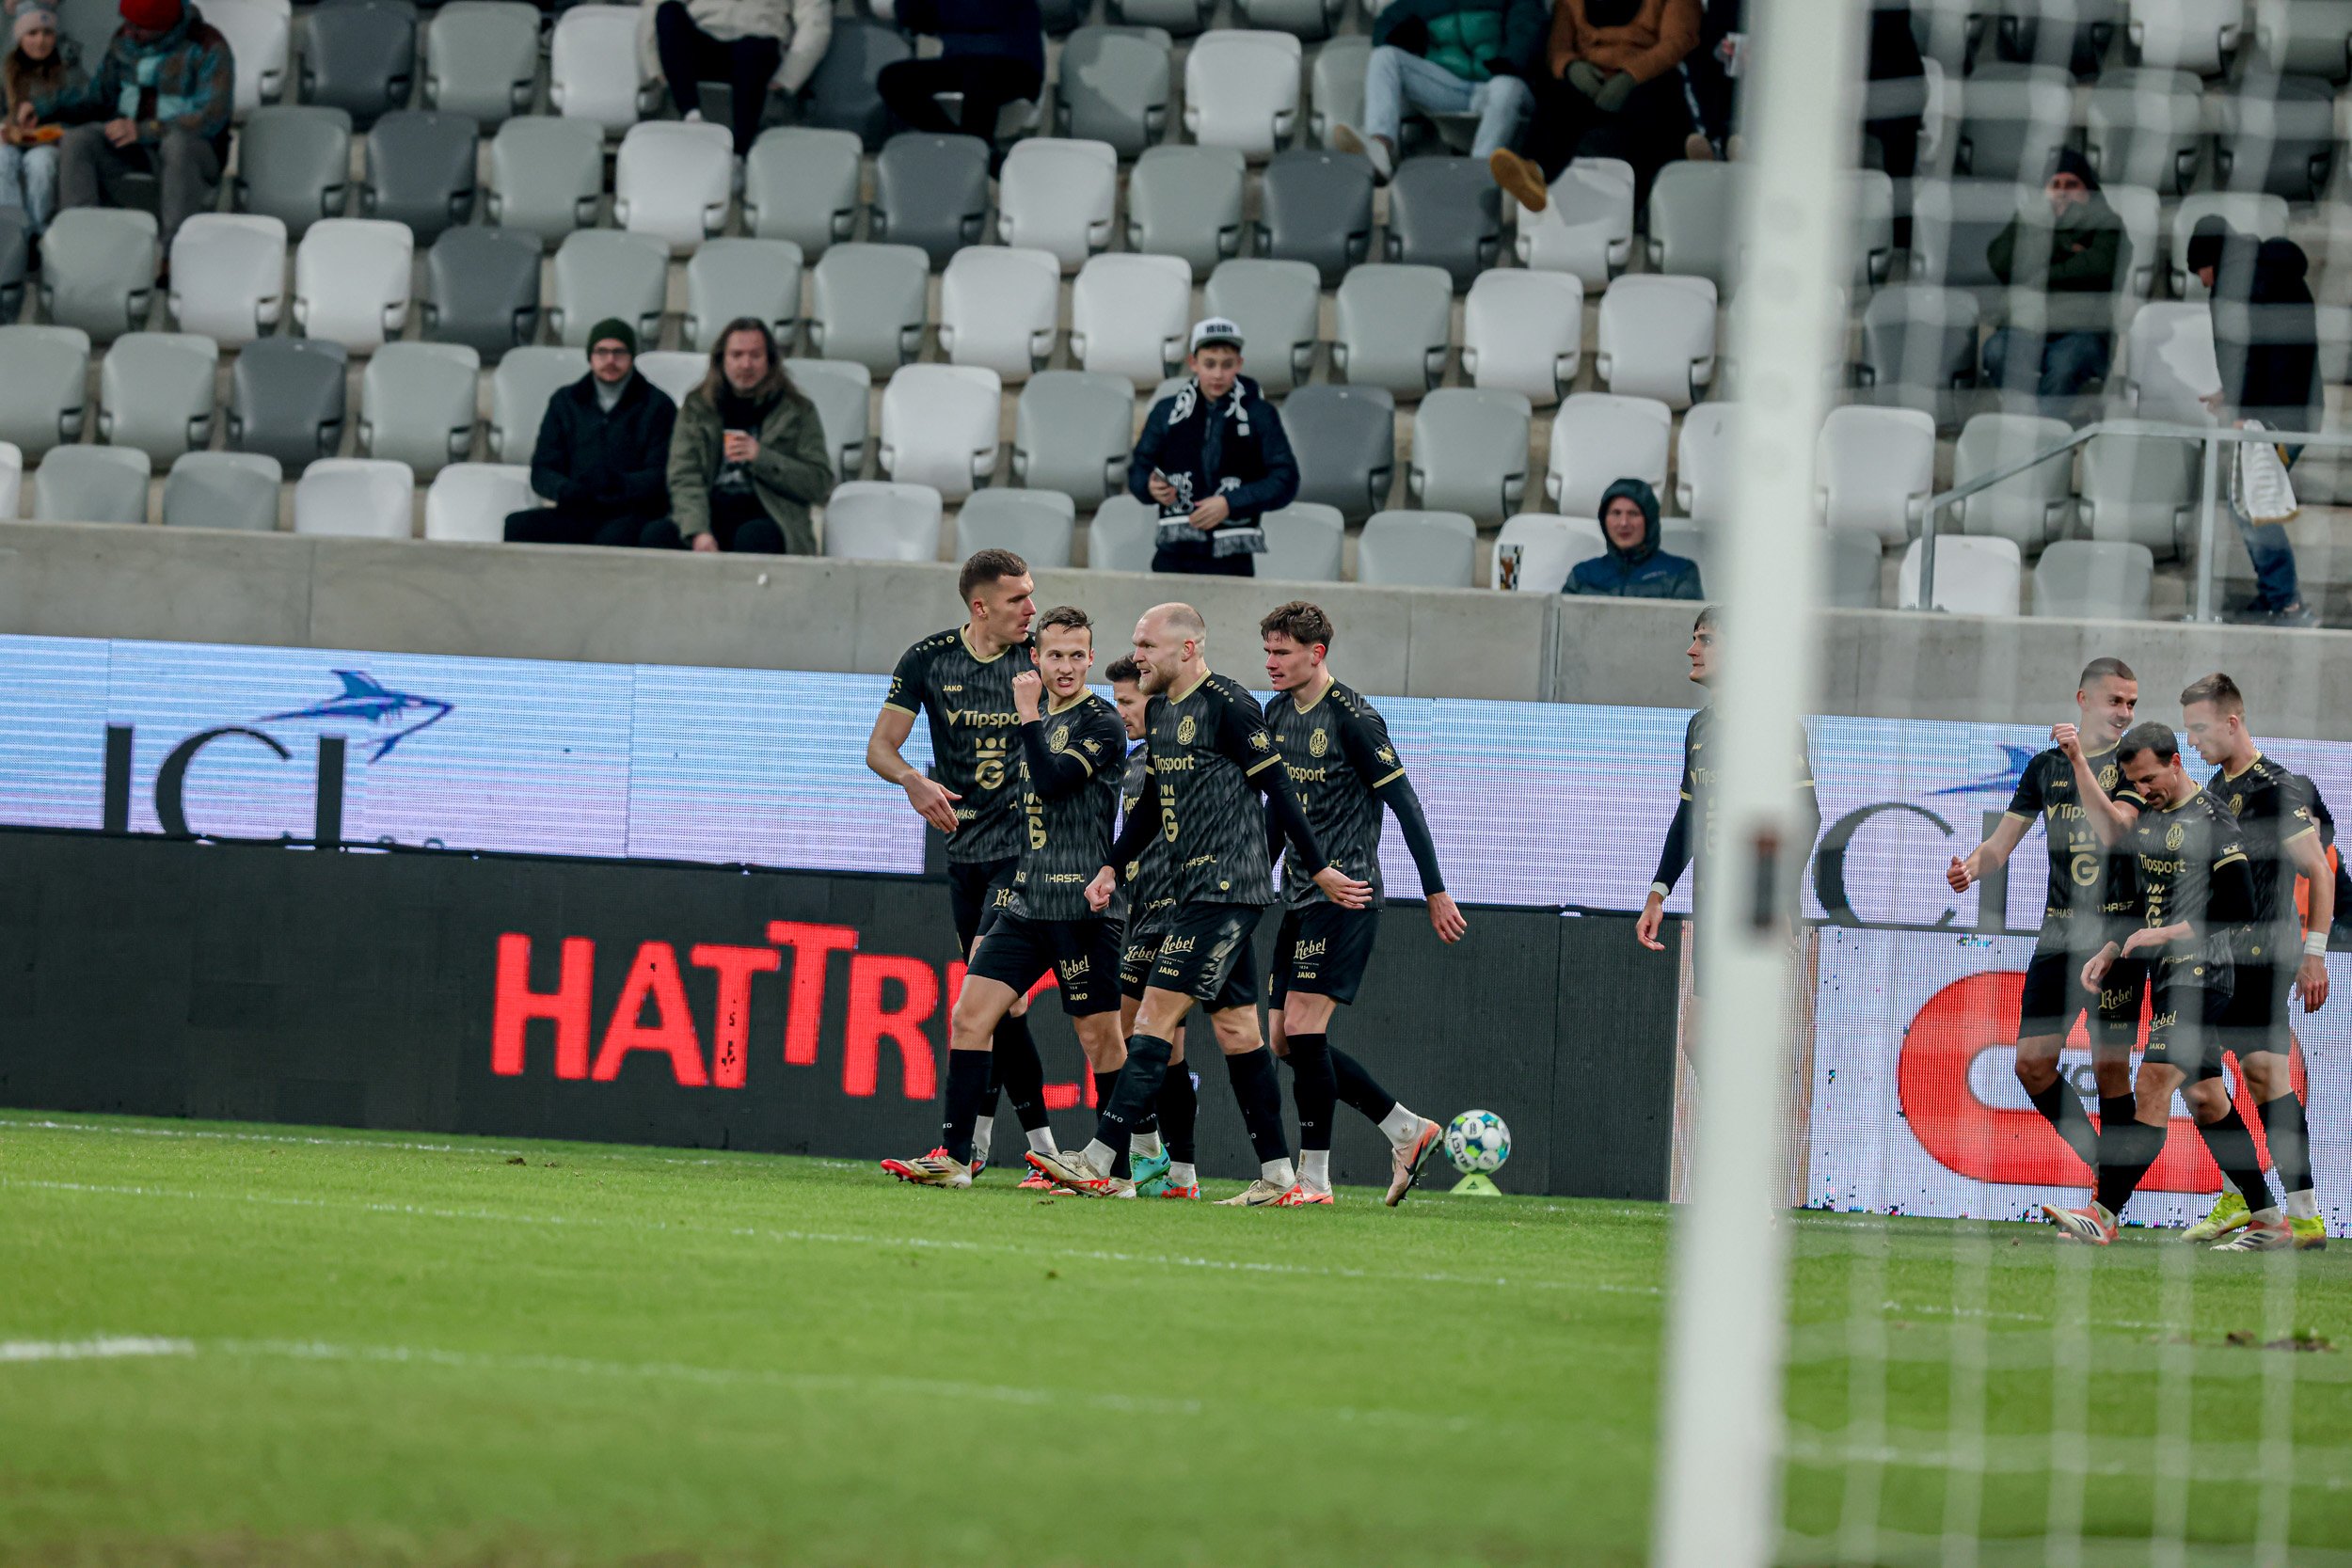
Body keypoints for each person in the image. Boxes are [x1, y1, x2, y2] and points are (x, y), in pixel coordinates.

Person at [1025, 603, 1372, 1206]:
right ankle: (1279, 1177)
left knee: (1151, 1019)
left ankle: (1100, 1159)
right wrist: (1111, 866)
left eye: (1146, 645)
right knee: (1238, 1031)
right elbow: (1152, 801)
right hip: (1195, 890)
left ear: (1186, 649)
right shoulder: (1161, 710)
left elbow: (1280, 790)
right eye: (1137, 644)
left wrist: (1317, 867)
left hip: (1227, 890)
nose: (1138, 655)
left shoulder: (1230, 705)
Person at [882, 607, 1133, 1192]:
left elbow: (1051, 781)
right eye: (1055, 655)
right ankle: (955, 1156)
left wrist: (1025, 715)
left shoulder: (1102, 723)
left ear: (1091, 659)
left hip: (1080, 907)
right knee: (970, 1015)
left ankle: (1117, 1169)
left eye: (1077, 655)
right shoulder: (1038, 718)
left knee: (1099, 1038)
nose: (1066, 666)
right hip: (1025, 902)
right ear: (1035, 659)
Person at [1259, 601, 1466, 1207]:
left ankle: (1315, 1181)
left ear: (1316, 653)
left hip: (1347, 895)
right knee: (1282, 1040)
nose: (1271, 662)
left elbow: (1406, 804)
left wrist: (1434, 891)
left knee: (1304, 1030)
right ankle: (1406, 1130)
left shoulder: (1355, 719)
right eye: (1267, 651)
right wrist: (1252, 881)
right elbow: (1279, 813)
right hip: (1299, 895)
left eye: (1282, 652)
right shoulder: (1276, 712)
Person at [2049, 722, 2286, 1250]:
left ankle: (2102, 1214)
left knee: (2153, 1082)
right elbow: (2147, 903)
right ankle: (2270, 1218)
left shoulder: (2212, 818)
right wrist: (2113, 949)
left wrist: (2165, 934)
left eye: (2150, 778)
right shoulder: (2153, 819)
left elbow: (2240, 907)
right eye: (2135, 782)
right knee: (2205, 1098)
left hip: (2204, 975)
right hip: (2170, 978)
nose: (2144, 790)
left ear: (2176, 762)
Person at [865, 549, 1055, 1180]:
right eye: (1017, 599)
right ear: (980, 606)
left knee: (983, 994)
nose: (1030, 608)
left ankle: (976, 1148)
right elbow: (880, 748)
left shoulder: (1040, 660)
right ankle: (1026, 1148)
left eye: (1031, 594)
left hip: (1025, 854)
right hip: (964, 852)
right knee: (1002, 1006)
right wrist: (912, 780)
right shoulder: (929, 659)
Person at [1946, 657, 2145, 1174]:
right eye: (2115, 701)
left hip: (2117, 936)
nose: (2124, 713)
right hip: (2059, 934)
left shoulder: (2135, 763)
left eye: (2131, 703)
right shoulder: (2044, 767)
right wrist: (1971, 867)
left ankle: (2109, 1199)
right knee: (2032, 1065)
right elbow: (2000, 846)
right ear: (2083, 699)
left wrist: (2080, 759)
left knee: (2109, 1069)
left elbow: (2117, 833)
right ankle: (2103, 1169)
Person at [2178, 673, 2332, 1250]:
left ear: (2232, 721)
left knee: (2263, 1075)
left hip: (2266, 952)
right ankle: (2244, 1198)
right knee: (2202, 1080)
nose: (2193, 740)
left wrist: (2314, 955)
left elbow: (2319, 872)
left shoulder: (2278, 788)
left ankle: (2303, 1218)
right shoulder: (2213, 789)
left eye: (2200, 728)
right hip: (2217, 955)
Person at [1635, 606, 1821, 1012]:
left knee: (1740, 1037)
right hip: (1711, 911)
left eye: (1706, 640)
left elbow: (1807, 817)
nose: (1691, 650)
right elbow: (1689, 817)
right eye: (1694, 639)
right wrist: (1658, 893)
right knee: (1700, 1036)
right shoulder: (1699, 727)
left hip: (1755, 915)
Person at [2187, 215, 2321, 626]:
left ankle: (2288, 603)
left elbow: (2247, 355)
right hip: (2298, 408)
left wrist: (2242, 410)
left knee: (2251, 504)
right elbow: (2275, 354)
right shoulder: (2272, 271)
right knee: (2251, 502)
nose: (2202, 283)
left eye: (2199, 272)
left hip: (2272, 417)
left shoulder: (2235, 284)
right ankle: (2275, 597)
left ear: (2208, 260)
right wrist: (2232, 397)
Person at [21, 0, 231, 258]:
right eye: (127, 23)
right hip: (132, 147)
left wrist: (143, 130)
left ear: (163, 27)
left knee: (177, 145)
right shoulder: (124, 39)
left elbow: (211, 118)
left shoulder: (209, 46)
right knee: (79, 140)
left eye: (139, 28)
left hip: (192, 150)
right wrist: (44, 108)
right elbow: (97, 98)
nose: (129, 31)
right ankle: (81, 244)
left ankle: (172, 254)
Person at [1108, 653, 1197, 1199]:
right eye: (1116, 701)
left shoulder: (1182, 754)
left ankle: (1146, 1150)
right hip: (1143, 911)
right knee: (1170, 1049)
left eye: (1128, 701)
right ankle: (1181, 1173)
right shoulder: (1134, 761)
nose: (1121, 711)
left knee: (1124, 1029)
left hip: (1180, 911)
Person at [1486, 0, 1700, 214]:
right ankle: (1533, 176)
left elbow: (1678, 40)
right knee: (1556, 102)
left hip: (1647, 78)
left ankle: (1637, 208)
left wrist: (1632, 76)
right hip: (1588, 77)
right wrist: (1571, 67)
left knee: (1654, 109)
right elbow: (1558, 46)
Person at [1127, 318, 1300, 578]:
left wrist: (1230, 503)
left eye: (1227, 365)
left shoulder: (1260, 414)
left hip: (1232, 560)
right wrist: (1150, 487)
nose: (1218, 374)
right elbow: (1138, 470)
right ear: (1193, 363)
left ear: (1239, 364)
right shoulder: (1166, 411)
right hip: (1173, 555)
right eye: (1210, 364)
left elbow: (1286, 479)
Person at [660, 317, 832, 554]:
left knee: (753, 536)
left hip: (771, 515)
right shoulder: (698, 406)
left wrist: (762, 458)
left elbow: (819, 483)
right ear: (722, 359)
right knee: (657, 535)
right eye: (737, 355)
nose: (746, 364)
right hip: (709, 510)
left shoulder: (798, 410)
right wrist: (698, 531)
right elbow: (684, 475)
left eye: (755, 355)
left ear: (770, 360)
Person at [1324, 0, 1547, 181]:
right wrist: (1402, 36)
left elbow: (1528, 26)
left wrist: (1510, 63)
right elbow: (1386, 24)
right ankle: (1380, 151)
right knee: (1384, 57)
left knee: (1505, 87)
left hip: (1502, 84)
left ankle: (1477, 174)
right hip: (1452, 88)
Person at [504, 320, 678, 548]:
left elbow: (662, 472)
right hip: (577, 508)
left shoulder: (657, 405)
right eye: (602, 352)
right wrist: (564, 489)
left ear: (631, 357)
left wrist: (620, 484)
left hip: (632, 512)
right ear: (590, 356)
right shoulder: (565, 401)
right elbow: (543, 468)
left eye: (619, 352)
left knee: (615, 537)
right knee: (518, 526)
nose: (610, 360)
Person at [1980, 150, 2125, 404]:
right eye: (2055, 185)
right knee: (1996, 351)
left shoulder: (2107, 222)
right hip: (2024, 328)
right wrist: (2062, 246)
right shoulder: (2030, 218)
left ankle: (2045, 425)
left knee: (2064, 366)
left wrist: (2033, 273)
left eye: (2072, 185)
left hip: (2081, 332)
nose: (2062, 192)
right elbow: (1999, 261)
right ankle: (2024, 416)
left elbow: (2097, 268)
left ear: (2087, 189)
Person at [637, 0, 830, 159]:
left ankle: (739, 153)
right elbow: (654, 6)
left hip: (758, 45)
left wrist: (788, 76)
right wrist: (654, 67)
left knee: (753, 49)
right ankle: (692, 117)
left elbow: (815, 20)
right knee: (668, 11)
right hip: (704, 41)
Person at [875, 0, 1043, 145]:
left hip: (1015, 63)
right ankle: (956, 144)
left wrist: (935, 9)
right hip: (964, 63)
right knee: (893, 80)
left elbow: (980, 12)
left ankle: (975, 151)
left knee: (980, 79)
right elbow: (911, 14)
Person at [1, 2, 83, 247]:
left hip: (50, 142)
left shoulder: (68, 72)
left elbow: (84, 111)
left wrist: (45, 116)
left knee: (40, 164)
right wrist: (10, 124)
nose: (40, 41)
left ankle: (39, 232)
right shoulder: (6, 72)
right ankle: (11, 229)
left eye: (47, 33)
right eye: (32, 33)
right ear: (20, 37)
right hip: (14, 140)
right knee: (2, 158)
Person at [1565, 478, 1702, 598]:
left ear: (1649, 521)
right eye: (1616, 513)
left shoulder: (1680, 573)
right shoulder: (1582, 575)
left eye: (1633, 514)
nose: (1624, 523)